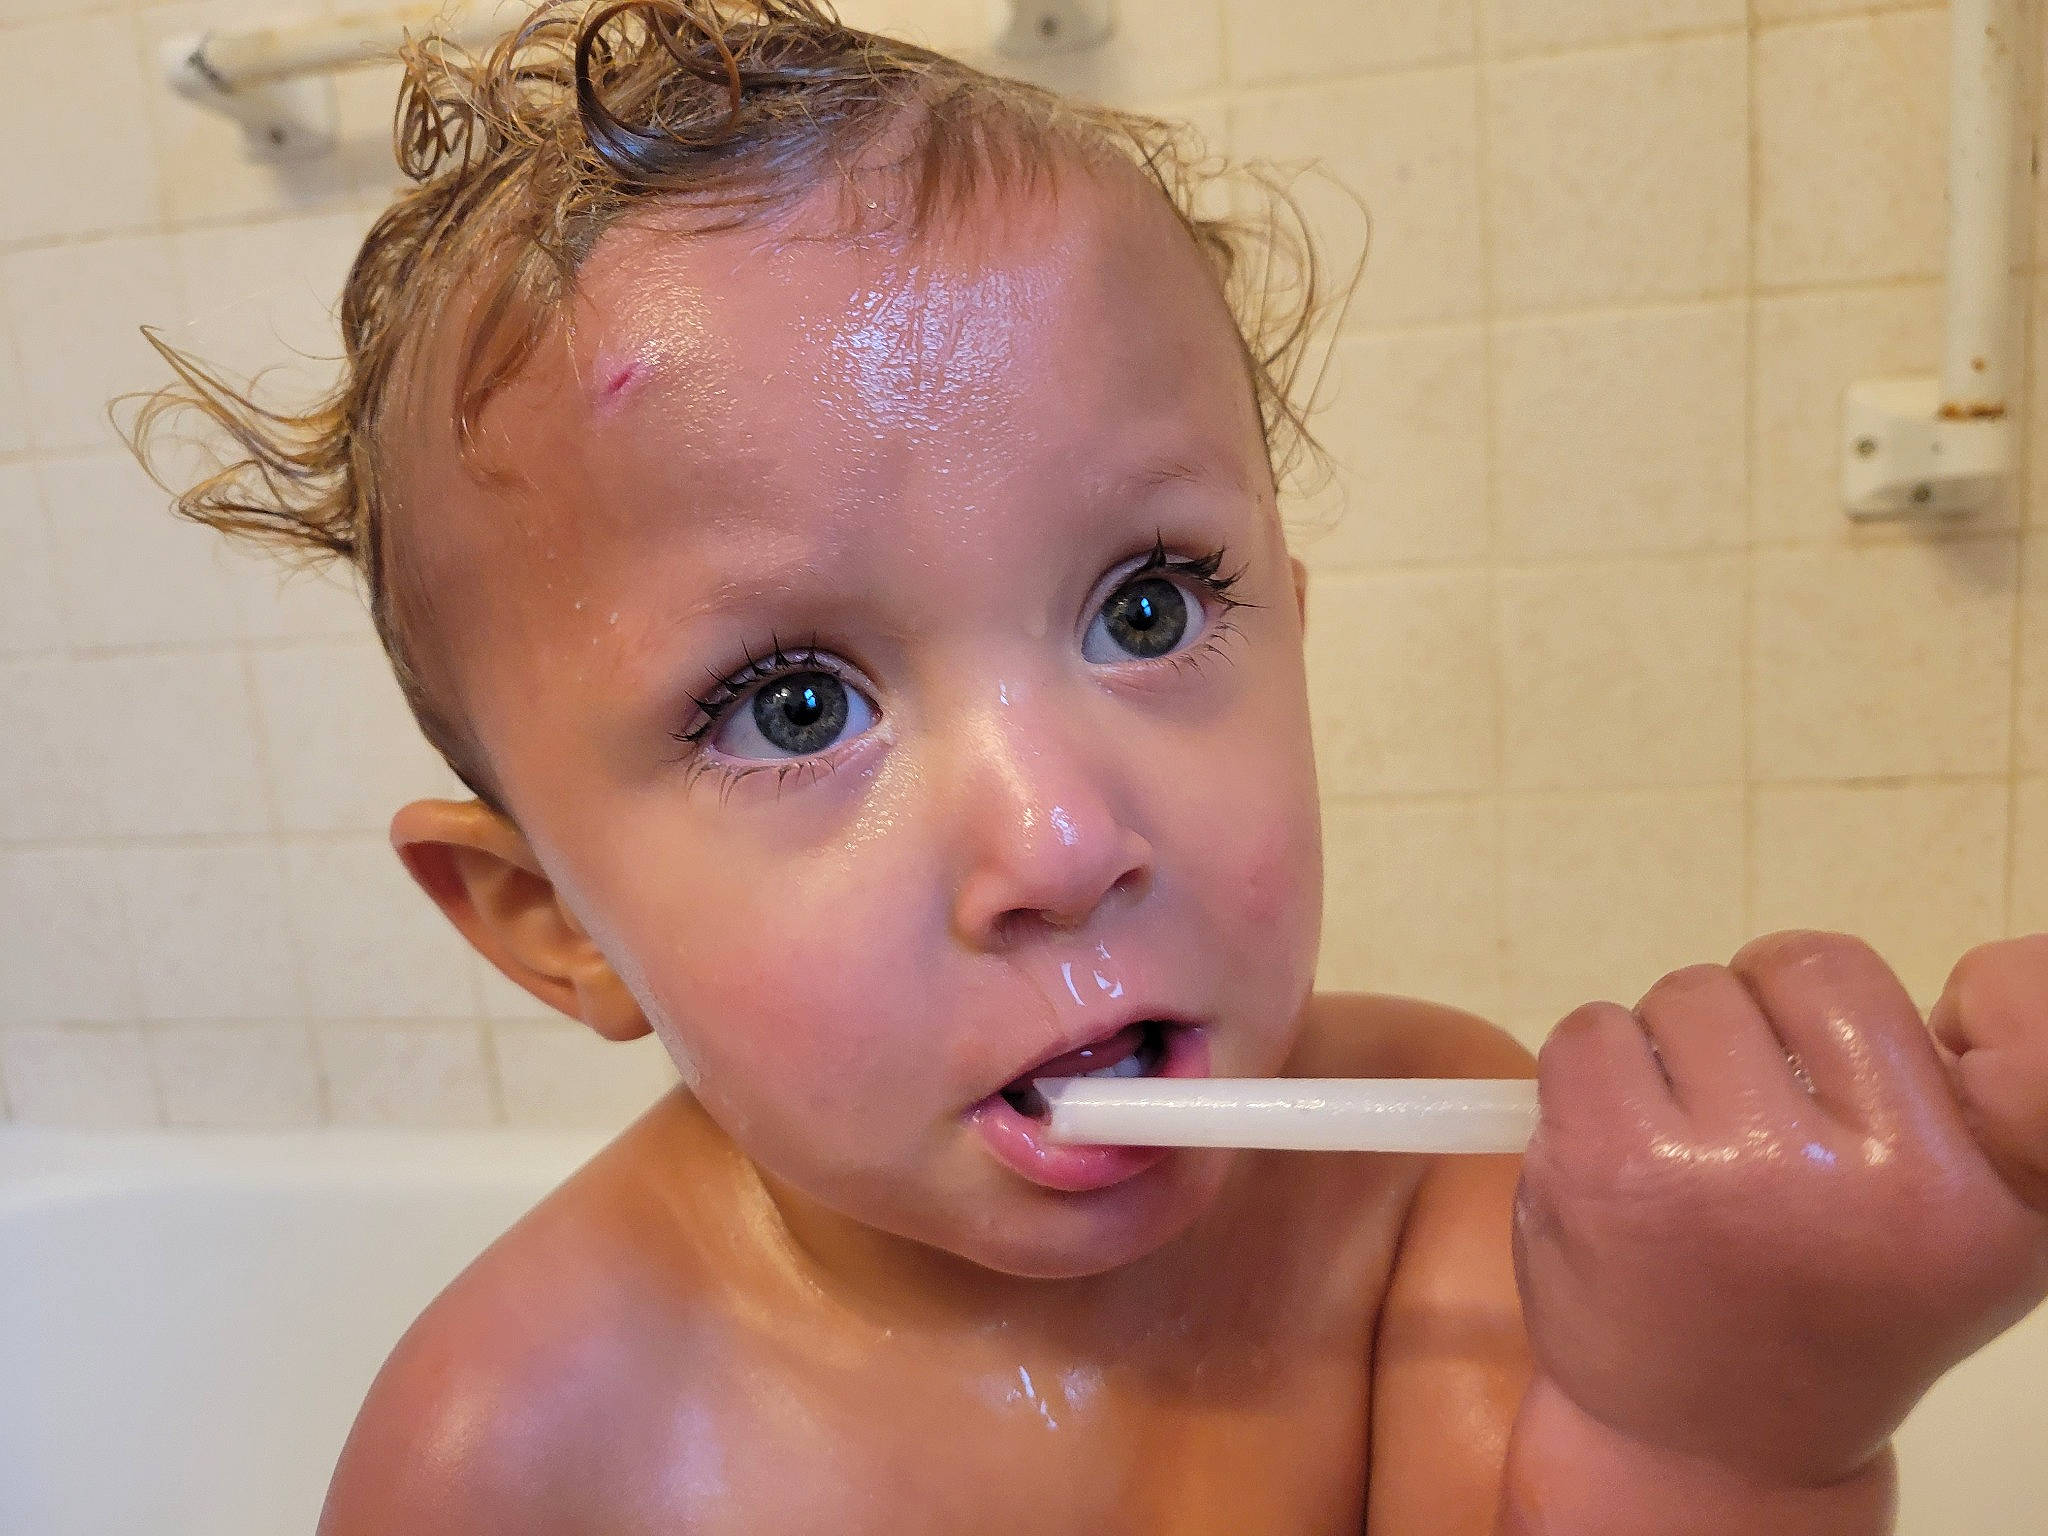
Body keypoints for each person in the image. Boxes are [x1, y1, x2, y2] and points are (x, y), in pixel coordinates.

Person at [128, 3, 2048, 1530]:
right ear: (554, 927)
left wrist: (1717, 1427)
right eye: (797, 705)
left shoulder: (1447, 1210)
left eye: (1147, 609)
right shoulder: (523, 1453)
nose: (1060, 839)